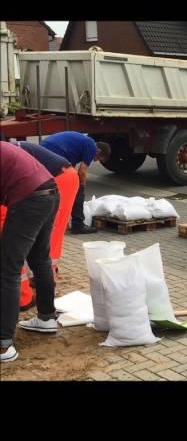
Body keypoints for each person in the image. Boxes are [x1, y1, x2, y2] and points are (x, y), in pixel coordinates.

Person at [0, 141, 79, 310]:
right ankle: (44, 311)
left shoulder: (9, 153)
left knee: (16, 256)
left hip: (56, 182)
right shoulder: (9, 149)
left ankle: (23, 297)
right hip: (44, 187)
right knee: (37, 253)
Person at [1, 141, 60, 363]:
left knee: (7, 269)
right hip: (49, 193)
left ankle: (3, 344)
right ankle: (47, 318)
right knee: (39, 259)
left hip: (30, 199)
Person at [41, 131, 110, 234]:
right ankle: (78, 225)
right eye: (99, 158)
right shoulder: (91, 146)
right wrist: (82, 185)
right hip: (54, 152)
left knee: (60, 186)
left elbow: (71, 168)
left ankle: (55, 221)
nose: (95, 161)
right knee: (78, 189)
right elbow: (82, 171)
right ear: (98, 150)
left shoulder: (81, 145)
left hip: (45, 149)